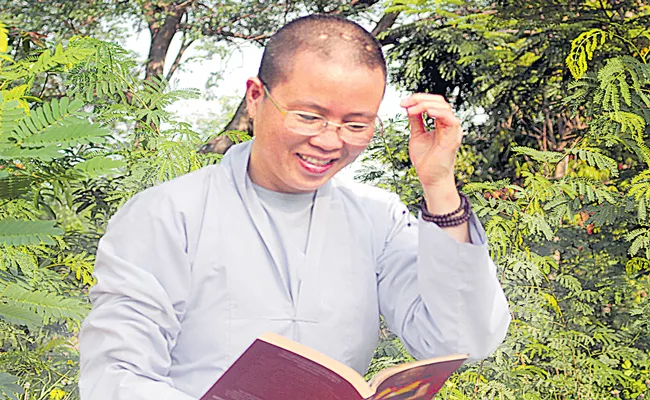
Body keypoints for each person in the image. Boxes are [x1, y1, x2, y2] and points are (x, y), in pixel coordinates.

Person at [78, 14, 510, 400]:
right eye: (308, 116)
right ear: (255, 97)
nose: (329, 141)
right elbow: (116, 375)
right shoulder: (168, 214)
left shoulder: (377, 218)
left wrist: (438, 184)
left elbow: (460, 340)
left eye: (356, 124)